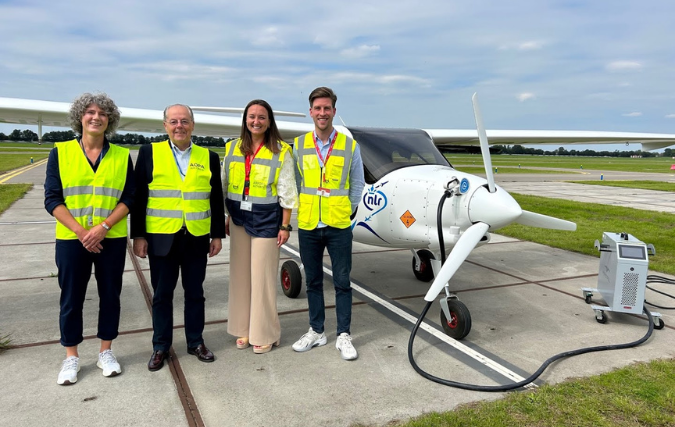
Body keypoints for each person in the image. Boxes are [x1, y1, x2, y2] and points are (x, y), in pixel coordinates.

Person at [44, 92, 135, 385]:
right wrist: (83, 233)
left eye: (103, 113)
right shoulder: (60, 152)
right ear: (80, 117)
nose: (96, 117)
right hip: (73, 239)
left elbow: (130, 197)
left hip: (111, 237)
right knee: (71, 298)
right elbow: (52, 199)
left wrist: (104, 227)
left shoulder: (122, 156)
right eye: (90, 112)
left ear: (110, 120)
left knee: (111, 295)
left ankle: (105, 352)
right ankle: (71, 356)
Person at [131, 104, 225, 371]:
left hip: (196, 237)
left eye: (184, 121)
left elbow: (215, 199)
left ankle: (195, 342)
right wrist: (138, 236)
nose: (179, 126)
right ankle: (161, 346)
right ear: (165, 126)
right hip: (161, 238)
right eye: (173, 121)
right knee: (162, 295)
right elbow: (139, 199)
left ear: (193, 125)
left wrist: (217, 234)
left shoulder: (208, 156)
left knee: (195, 294)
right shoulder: (149, 152)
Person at [291, 87, 365, 360]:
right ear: (311, 112)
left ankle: (344, 334)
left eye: (327, 108)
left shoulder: (349, 146)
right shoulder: (298, 145)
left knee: (343, 281)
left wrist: (347, 210)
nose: (322, 113)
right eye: (317, 108)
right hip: (310, 223)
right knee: (312, 281)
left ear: (334, 111)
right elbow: (296, 184)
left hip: (338, 224)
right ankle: (317, 330)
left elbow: (357, 183)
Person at [222, 99, 298, 354]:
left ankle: (265, 332)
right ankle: (244, 327)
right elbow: (226, 185)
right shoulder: (232, 148)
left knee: (262, 278)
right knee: (240, 276)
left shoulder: (281, 151)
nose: (256, 121)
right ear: (245, 119)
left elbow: (287, 190)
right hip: (238, 219)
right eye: (252, 116)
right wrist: (227, 216)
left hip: (267, 221)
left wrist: (285, 226)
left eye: (262, 117)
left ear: (269, 122)